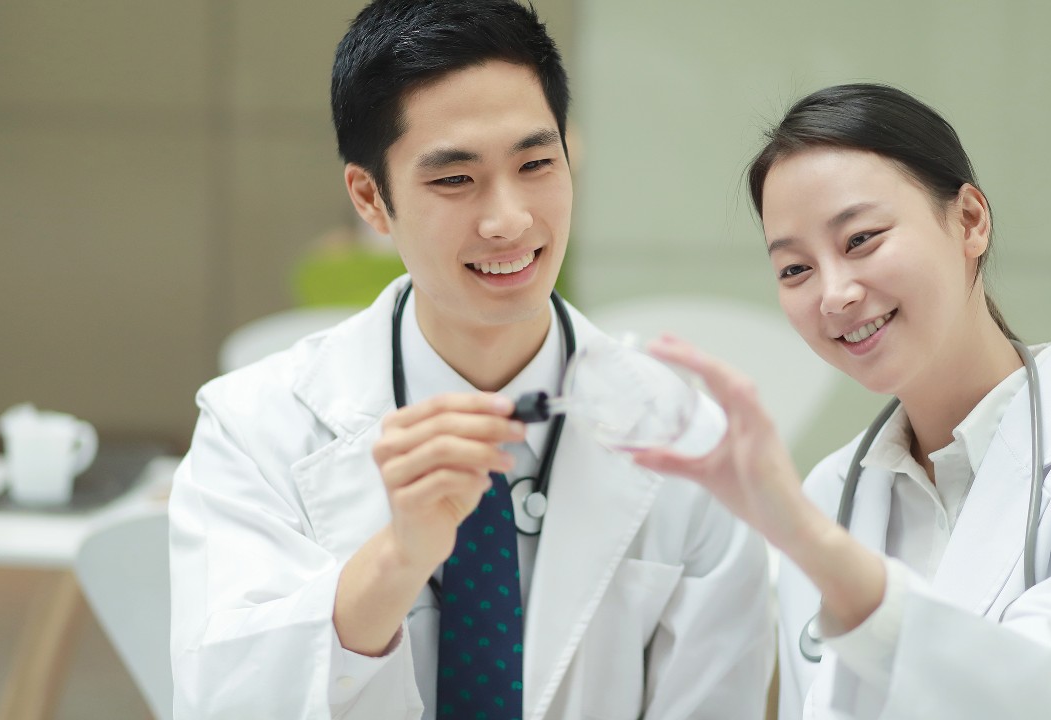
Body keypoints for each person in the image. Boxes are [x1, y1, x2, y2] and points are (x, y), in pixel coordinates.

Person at [166, 2, 772, 718]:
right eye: (456, 180)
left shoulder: (688, 444)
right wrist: (394, 560)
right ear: (371, 198)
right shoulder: (254, 428)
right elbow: (223, 700)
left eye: (538, 163)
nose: (509, 219)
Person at [633, 83, 1051, 719]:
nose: (834, 294)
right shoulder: (832, 493)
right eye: (795, 270)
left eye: (860, 239)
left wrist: (829, 561)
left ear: (970, 220)